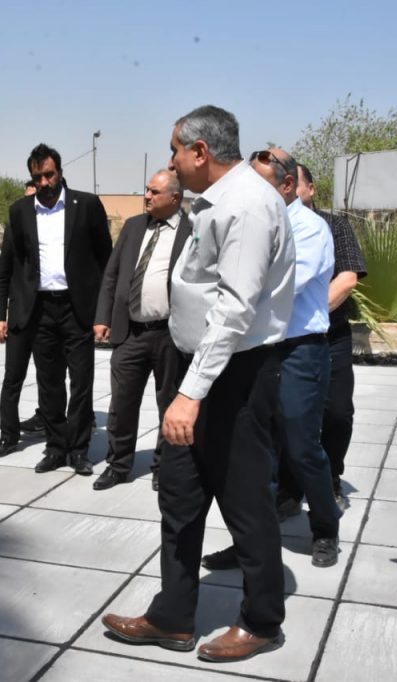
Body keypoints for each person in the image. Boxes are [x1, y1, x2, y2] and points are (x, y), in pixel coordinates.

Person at [102, 106, 295, 663]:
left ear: (201, 152)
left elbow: (235, 310)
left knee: (245, 503)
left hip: (233, 377)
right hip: (199, 370)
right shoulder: (214, 200)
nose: (171, 162)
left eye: (175, 151)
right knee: (180, 495)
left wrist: (191, 394)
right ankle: (173, 616)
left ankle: (261, 620)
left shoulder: (248, 206)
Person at [202, 149, 340, 571]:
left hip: (299, 350)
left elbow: (278, 287)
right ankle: (249, 542)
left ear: (288, 185)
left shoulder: (310, 228)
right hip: (256, 350)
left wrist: (232, 292)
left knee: (301, 446)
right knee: (253, 452)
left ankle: (325, 528)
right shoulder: (249, 222)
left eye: (262, 183)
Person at [0, 144, 112, 474]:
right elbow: (7, 268)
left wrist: (105, 313)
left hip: (78, 309)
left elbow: (107, 262)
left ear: (59, 172)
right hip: (40, 310)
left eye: (49, 175)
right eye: (38, 177)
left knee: (82, 382)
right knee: (49, 384)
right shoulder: (20, 211)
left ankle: (79, 450)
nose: (44, 182)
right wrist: (0, 313)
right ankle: (56, 448)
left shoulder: (86, 205)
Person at [91, 169, 191, 491]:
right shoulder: (134, 227)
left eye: (154, 192)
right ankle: (118, 465)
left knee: (169, 404)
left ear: (175, 197)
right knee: (121, 405)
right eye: (146, 190)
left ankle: (165, 467)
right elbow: (111, 274)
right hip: (130, 333)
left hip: (170, 335)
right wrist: (103, 317)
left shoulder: (193, 230)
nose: (147, 196)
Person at [287, 163, 367, 507]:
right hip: (285, 340)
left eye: (294, 184)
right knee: (288, 416)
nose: (287, 190)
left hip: (329, 335)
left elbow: (348, 278)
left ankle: (331, 478)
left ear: (310, 189)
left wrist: (311, 313)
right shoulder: (274, 227)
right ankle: (288, 488)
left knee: (337, 412)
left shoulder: (335, 225)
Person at [0, 180, 46, 457]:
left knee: (51, 380)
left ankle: (52, 428)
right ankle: (8, 436)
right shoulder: (14, 228)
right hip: (20, 318)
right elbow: (3, 276)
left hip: (50, 319)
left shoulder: (57, 230)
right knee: (12, 378)